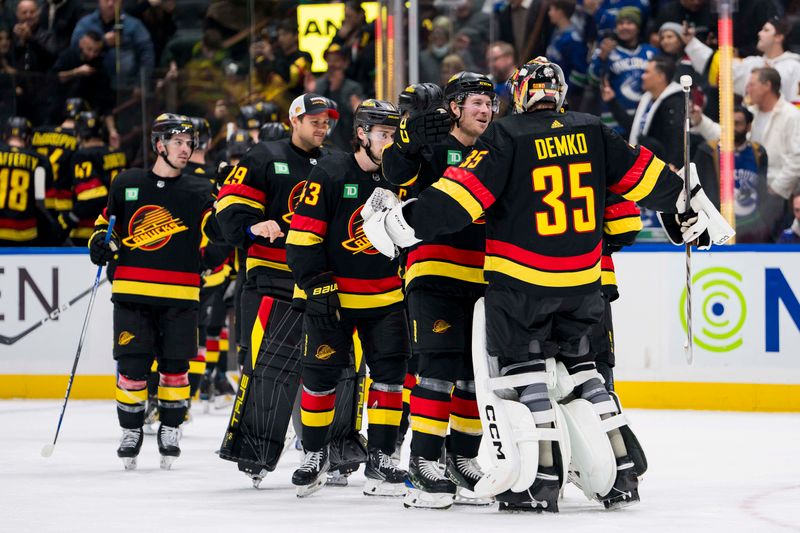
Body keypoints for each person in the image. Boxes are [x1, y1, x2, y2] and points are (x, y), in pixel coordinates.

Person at [362, 57, 727, 512]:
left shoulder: (507, 136)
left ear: (519, 94)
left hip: (519, 284)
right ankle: (620, 474)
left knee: (523, 379)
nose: (486, 110)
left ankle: (538, 481)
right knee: (583, 374)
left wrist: (401, 225)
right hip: (583, 284)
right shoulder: (594, 129)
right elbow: (648, 181)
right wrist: (690, 208)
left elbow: (457, 201)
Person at [285, 99, 409, 498]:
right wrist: (317, 284)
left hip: (386, 297)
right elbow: (302, 237)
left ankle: (382, 455)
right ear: (362, 134)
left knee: (390, 380)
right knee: (320, 379)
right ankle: (315, 453)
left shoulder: (400, 177)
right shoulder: (331, 171)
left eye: (394, 135)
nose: (390, 143)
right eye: (384, 135)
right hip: (334, 297)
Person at [380, 74, 494, 509]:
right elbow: (394, 172)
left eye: (489, 103)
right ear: (455, 108)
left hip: (486, 276)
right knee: (438, 368)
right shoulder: (431, 145)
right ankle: (423, 460)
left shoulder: (495, 150)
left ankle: (462, 458)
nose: (484, 110)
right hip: (434, 269)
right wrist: (406, 141)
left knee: (473, 375)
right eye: (475, 103)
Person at [214, 93, 339, 486]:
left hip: (320, 282)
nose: (322, 127)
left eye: (327, 121)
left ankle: (334, 452)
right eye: (314, 119)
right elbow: (228, 209)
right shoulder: (263, 156)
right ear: (294, 120)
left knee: (333, 367)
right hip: (272, 277)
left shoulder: (337, 162)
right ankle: (256, 452)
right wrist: (252, 226)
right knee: (268, 367)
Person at [88, 114, 214, 470]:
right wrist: (100, 241)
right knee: (131, 366)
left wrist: (223, 221)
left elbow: (215, 230)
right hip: (131, 294)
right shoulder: (126, 182)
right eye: (178, 142)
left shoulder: (200, 190)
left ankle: (170, 429)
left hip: (180, 295)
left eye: (189, 144)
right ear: (159, 145)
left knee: (175, 368)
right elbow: (104, 224)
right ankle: (130, 431)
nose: (185, 149)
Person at [691, 68, 800, 234]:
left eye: (752, 84)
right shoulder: (751, 112)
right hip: (750, 193)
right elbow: (729, 136)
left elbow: (797, 159)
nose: (747, 89)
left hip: (778, 196)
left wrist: (776, 189)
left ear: (767, 85)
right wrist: (701, 121)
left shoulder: (792, 115)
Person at [693, 106, 771, 243]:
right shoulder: (707, 151)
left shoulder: (758, 152)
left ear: (748, 127)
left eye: (738, 123)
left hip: (751, 227)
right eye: (729, 123)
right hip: (718, 227)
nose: (732, 127)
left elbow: (763, 190)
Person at [684, 16, 800, 107]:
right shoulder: (752, 63)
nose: (759, 33)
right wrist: (692, 43)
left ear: (779, 37)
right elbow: (718, 67)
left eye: (766, 30)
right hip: (753, 131)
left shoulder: (793, 67)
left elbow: (797, 106)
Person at [56, 110, 127, 246]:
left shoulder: (82, 156)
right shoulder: (118, 153)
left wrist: (68, 220)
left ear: (79, 133)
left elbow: (90, 199)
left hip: (89, 231)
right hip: (116, 228)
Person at [588, 6, 657, 135]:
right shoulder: (605, 51)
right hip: (613, 122)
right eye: (620, 23)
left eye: (629, 23)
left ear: (638, 27)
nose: (624, 27)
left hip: (644, 119)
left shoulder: (651, 51)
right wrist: (602, 57)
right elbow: (592, 81)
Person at [71, 0, 155, 91]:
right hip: (89, 86)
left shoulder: (134, 26)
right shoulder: (85, 24)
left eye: (115, 0)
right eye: (107, 0)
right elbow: (74, 51)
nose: (110, 4)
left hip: (125, 87)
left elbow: (147, 56)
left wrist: (141, 84)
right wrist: (102, 43)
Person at [0, 116, 55, 246]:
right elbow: (45, 203)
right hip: (24, 233)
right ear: (28, 138)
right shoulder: (40, 160)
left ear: (5, 136)